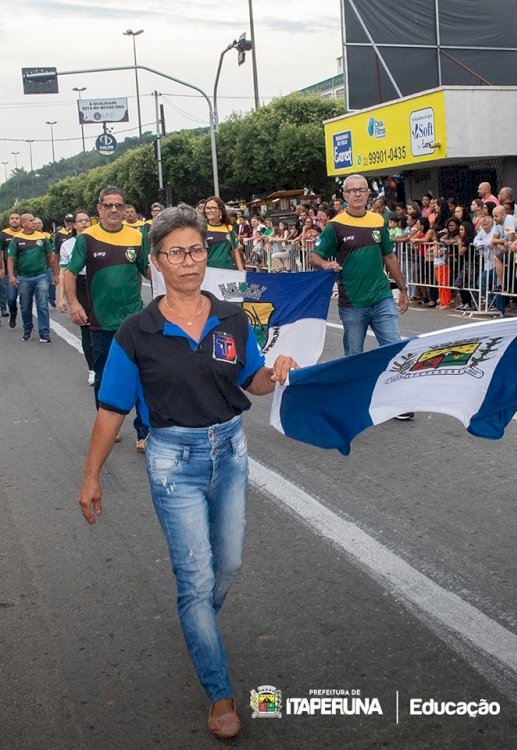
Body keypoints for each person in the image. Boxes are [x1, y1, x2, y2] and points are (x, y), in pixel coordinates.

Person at [76, 204, 298, 739]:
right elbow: (111, 410)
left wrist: (279, 370)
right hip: (173, 460)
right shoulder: (136, 332)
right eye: (176, 252)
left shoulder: (231, 318)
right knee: (195, 578)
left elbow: (254, 381)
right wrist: (91, 476)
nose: (189, 261)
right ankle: (219, 690)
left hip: (232, 451)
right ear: (156, 262)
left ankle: (199, 624)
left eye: (196, 250)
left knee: (229, 565)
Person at [309, 173, 413, 419]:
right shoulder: (335, 225)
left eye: (361, 190)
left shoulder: (378, 221)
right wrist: (326, 265)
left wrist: (403, 289)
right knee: (354, 355)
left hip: (381, 297)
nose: (357, 194)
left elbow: (389, 256)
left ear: (368, 194)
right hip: (353, 302)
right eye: (352, 190)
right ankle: (353, 400)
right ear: (344, 196)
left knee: (393, 348)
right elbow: (315, 255)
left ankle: (397, 403)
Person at [64, 186, 151, 451]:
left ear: (125, 209)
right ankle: (107, 428)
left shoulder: (136, 236)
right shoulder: (87, 238)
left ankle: (144, 432)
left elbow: (147, 270)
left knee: (143, 376)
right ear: (99, 209)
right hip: (101, 322)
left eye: (119, 205)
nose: (114, 210)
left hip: (134, 320)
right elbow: (70, 273)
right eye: (108, 205)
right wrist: (75, 304)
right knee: (104, 377)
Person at [6, 213, 58, 342]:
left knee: (42, 305)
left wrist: (56, 273)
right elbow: (11, 259)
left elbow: (51, 256)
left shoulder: (42, 237)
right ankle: (27, 330)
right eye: (30, 221)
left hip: (41, 276)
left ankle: (44, 332)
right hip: (24, 277)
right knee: (25, 306)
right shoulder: (16, 239)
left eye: (34, 220)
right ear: (23, 224)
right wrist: (11, 275)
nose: (34, 222)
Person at [58, 209, 95, 384]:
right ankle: (92, 369)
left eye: (87, 220)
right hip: (80, 284)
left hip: (99, 282)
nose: (84, 223)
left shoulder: (98, 239)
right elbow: (64, 272)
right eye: (80, 221)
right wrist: (62, 297)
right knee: (86, 328)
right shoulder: (67, 245)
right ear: (74, 225)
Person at [203, 196, 243, 271]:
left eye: (213, 208)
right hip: (208, 271)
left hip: (227, 271)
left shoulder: (228, 228)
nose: (209, 210)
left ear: (220, 210)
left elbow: (234, 251)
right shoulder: (202, 229)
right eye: (207, 208)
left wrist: (240, 271)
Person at [1, 211, 22, 323]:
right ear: (9, 221)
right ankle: (13, 313)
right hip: (10, 271)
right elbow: (1, 252)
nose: (14, 220)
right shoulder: (3, 234)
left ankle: (28, 323)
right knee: (11, 298)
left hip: (24, 270)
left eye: (17, 218)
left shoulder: (25, 232)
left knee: (26, 300)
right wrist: (1, 267)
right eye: (12, 218)